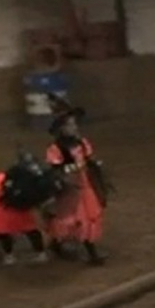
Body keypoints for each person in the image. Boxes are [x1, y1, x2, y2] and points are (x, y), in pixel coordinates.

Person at [45, 109, 106, 265]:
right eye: (70, 124)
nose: (74, 127)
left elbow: (89, 160)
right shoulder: (56, 148)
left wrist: (94, 165)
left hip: (85, 185)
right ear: (62, 129)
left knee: (87, 216)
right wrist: (74, 168)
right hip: (69, 187)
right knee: (71, 219)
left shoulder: (82, 143)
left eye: (74, 124)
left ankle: (90, 251)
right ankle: (60, 243)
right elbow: (55, 169)